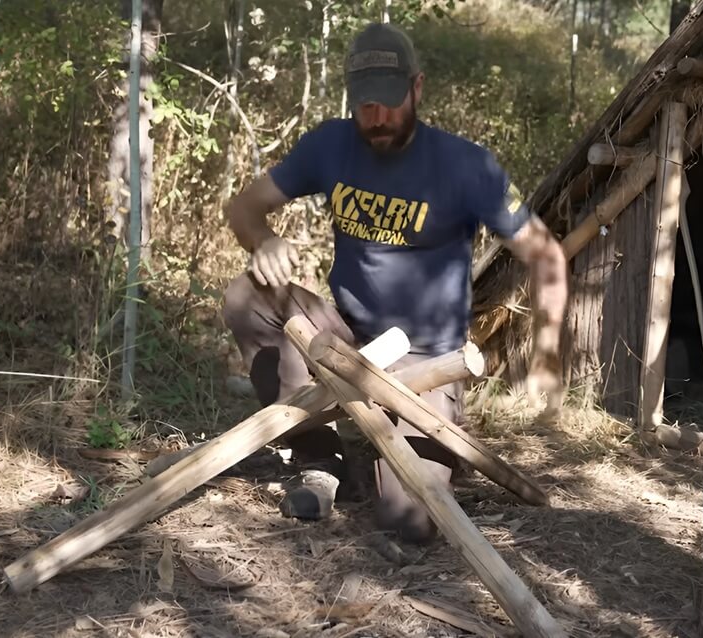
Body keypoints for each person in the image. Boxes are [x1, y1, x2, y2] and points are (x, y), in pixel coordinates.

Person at [221, 22, 568, 544]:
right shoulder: (330, 146)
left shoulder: (467, 166)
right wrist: (264, 241)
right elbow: (244, 208)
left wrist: (545, 358)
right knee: (248, 296)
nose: (377, 118)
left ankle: (420, 449)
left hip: (428, 362)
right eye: (365, 105)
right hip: (345, 338)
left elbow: (547, 257)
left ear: (417, 87)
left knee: (409, 526)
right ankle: (320, 458)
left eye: (389, 102)